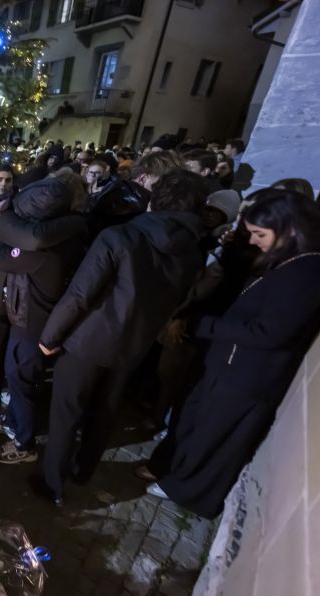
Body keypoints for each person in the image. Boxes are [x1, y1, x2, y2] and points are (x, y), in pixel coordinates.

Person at [144, 189, 320, 518]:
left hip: (250, 374)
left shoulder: (311, 272)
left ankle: (190, 492)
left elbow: (270, 332)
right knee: (198, 422)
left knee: (215, 438)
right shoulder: (299, 260)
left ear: (290, 229)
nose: (253, 242)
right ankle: (178, 475)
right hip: (232, 364)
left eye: (260, 234)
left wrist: (205, 325)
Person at [35, 168, 208, 505]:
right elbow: (181, 298)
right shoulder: (192, 252)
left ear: (155, 199)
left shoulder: (120, 236)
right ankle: (83, 471)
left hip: (88, 342)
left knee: (67, 414)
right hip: (133, 346)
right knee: (104, 412)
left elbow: (80, 295)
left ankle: (52, 484)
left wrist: (50, 337)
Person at [0, 179, 88, 463]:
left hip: (31, 327)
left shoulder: (35, 253)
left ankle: (24, 444)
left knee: (21, 382)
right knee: (19, 379)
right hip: (35, 321)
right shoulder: (66, 234)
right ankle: (13, 422)